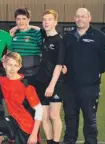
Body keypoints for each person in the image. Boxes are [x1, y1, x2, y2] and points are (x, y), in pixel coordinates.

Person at [62, 8, 105, 144]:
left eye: (83, 16)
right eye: (78, 16)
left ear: (89, 18)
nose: (80, 19)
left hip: (90, 87)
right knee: (70, 118)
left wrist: (93, 72)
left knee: (90, 119)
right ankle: (69, 141)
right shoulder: (68, 37)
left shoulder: (100, 37)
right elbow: (61, 58)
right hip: (69, 87)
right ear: (74, 18)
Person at [0, 52, 42, 144]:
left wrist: (34, 134)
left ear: (19, 67)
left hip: (26, 127)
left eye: (15, 65)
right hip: (12, 122)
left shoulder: (26, 86)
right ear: (4, 64)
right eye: (10, 65)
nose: (12, 69)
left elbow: (39, 110)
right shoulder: (2, 80)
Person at [33, 9, 65, 144]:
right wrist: (16, 27)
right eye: (44, 19)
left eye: (50, 19)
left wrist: (51, 85)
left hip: (55, 84)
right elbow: (31, 27)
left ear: (56, 22)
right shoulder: (43, 36)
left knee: (54, 115)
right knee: (44, 116)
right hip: (40, 82)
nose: (46, 22)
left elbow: (59, 65)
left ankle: (56, 142)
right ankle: (50, 141)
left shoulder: (60, 41)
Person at [9, 8, 43, 87]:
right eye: (18, 19)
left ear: (28, 19)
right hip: (17, 73)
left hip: (33, 73)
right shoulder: (13, 33)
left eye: (24, 19)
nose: (21, 22)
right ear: (15, 20)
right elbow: (9, 51)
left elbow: (44, 48)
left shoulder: (36, 33)